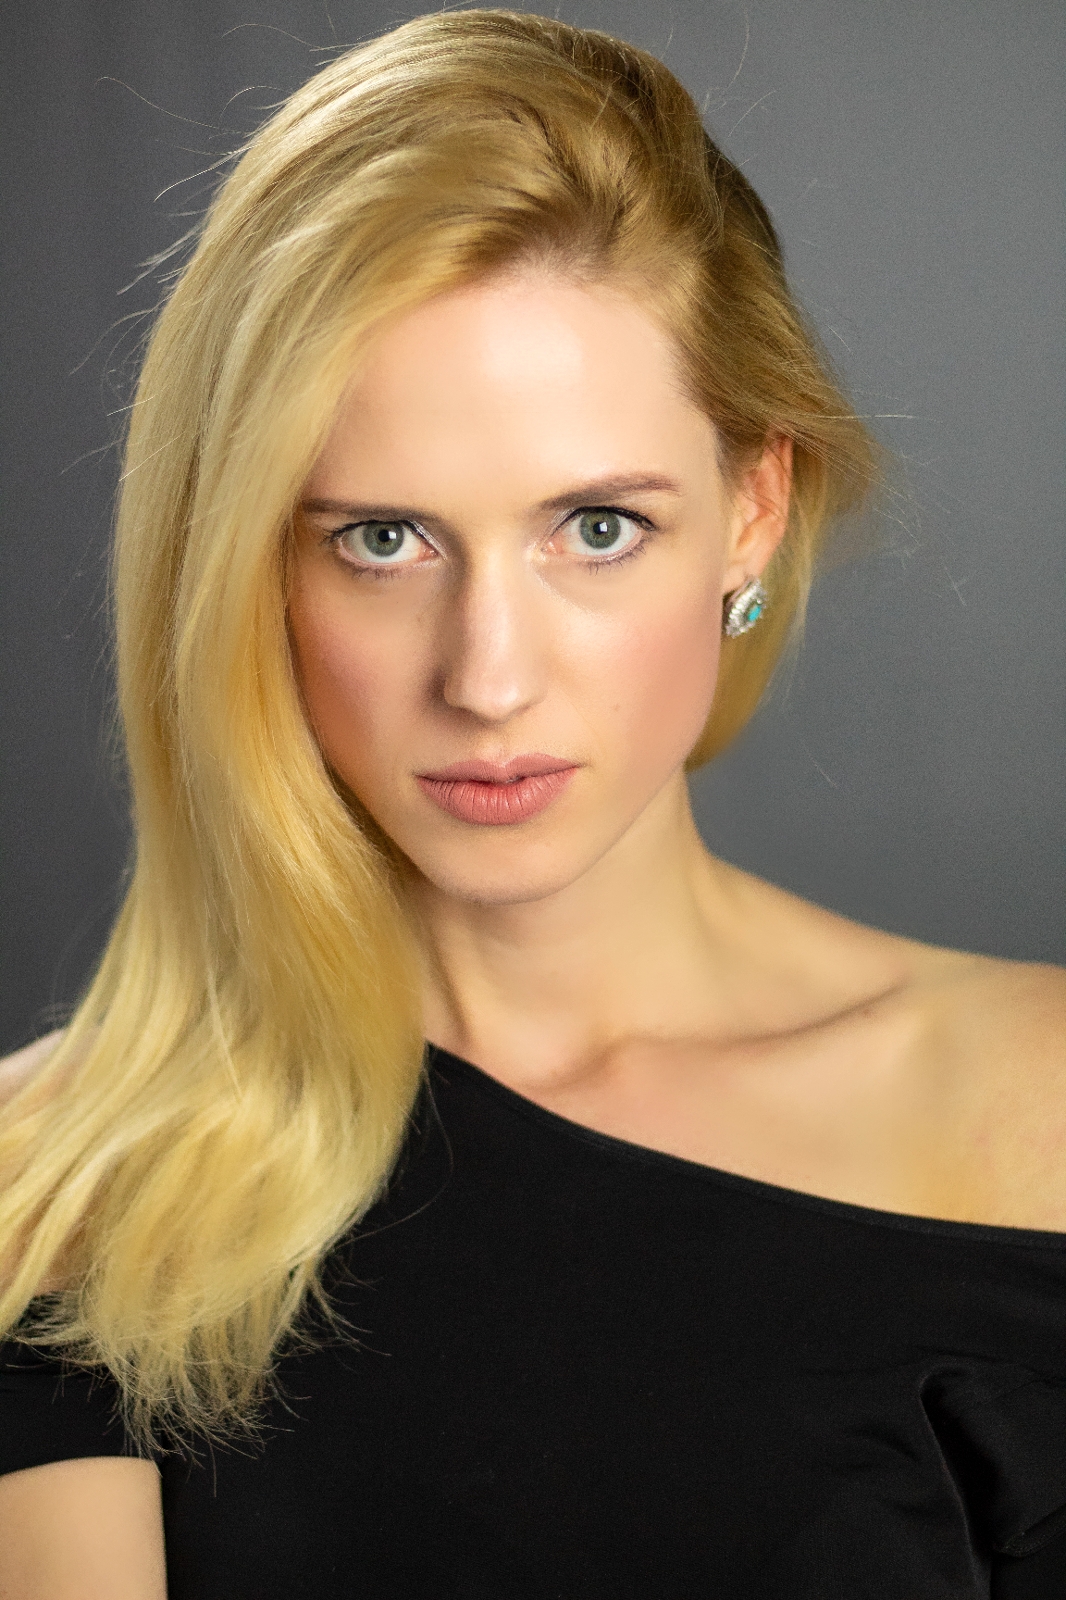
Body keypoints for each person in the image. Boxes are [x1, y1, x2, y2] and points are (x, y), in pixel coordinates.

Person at [1, 10, 1063, 1597]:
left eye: (596, 527)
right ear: (242, 567)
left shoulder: (1041, 1110)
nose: (487, 677)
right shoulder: (53, 1189)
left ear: (751, 511)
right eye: (380, 540)